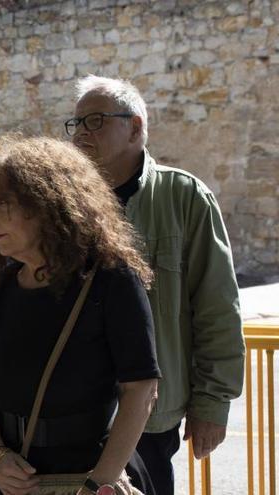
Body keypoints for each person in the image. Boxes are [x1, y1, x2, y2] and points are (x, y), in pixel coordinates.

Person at [68, 75, 245, 494]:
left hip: (149, 414)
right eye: (76, 123)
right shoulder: (62, 202)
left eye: (95, 120)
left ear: (134, 126)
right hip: (71, 411)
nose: (81, 134)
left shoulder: (184, 197)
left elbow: (217, 305)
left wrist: (212, 403)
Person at [0, 136, 160, 495]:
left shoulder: (110, 280)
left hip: (88, 474)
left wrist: (99, 482)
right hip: (7, 481)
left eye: (2, 203)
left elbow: (141, 389)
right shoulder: (0, 287)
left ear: (46, 204)